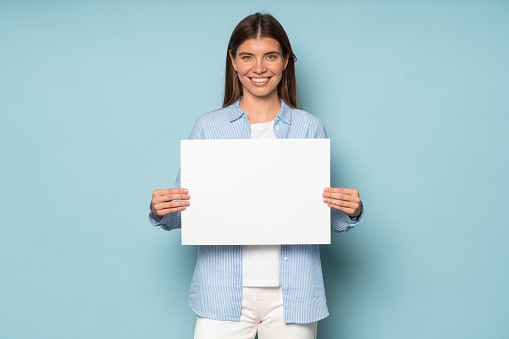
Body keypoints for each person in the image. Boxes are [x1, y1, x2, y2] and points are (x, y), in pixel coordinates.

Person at [149, 12, 364, 339]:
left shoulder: (310, 127)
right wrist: (161, 210)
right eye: (247, 56)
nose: (259, 68)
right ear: (233, 61)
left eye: (271, 56)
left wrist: (351, 210)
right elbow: (186, 215)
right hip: (222, 289)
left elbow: (319, 216)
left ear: (286, 61)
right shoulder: (208, 127)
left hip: (294, 293)